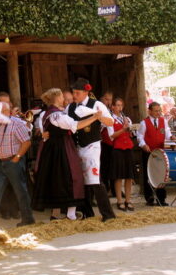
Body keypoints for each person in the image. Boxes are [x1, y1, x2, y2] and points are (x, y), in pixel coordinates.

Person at [34, 88, 102, 220]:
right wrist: (94, 117)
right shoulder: (56, 115)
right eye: (61, 96)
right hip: (61, 149)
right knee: (71, 177)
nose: (63, 99)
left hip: (54, 149)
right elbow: (75, 125)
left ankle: (64, 214)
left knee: (61, 180)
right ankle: (69, 214)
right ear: (56, 98)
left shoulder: (49, 113)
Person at [66, 78, 116, 221]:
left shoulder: (97, 104)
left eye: (77, 93)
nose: (74, 95)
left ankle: (108, 214)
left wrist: (99, 117)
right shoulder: (69, 107)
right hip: (76, 146)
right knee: (79, 180)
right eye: (73, 92)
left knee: (94, 179)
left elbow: (110, 122)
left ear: (86, 92)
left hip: (91, 145)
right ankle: (87, 213)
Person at [0, 101, 35, 227]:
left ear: (8, 112)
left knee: (21, 191)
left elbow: (26, 142)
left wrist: (17, 157)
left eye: (2, 112)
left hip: (13, 161)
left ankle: (28, 220)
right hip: (1, 162)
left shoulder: (17, 123)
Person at [137, 102, 176, 206]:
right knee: (149, 174)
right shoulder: (144, 123)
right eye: (156, 111)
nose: (158, 113)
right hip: (149, 152)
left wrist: (171, 137)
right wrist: (143, 145)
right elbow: (140, 136)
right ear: (150, 111)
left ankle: (161, 198)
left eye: (159, 111)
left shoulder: (163, 121)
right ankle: (149, 197)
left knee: (162, 174)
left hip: (161, 152)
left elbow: (167, 132)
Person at [108, 98, 135, 211]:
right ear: (112, 107)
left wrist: (131, 129)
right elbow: (111, 135)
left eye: (121, 105)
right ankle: (119, 200)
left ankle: (128, 200)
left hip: (128, 148)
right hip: (117, 149)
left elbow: (132, 135)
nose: (119, 108)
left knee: (129, 176)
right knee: (118, 176)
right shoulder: (110, 119)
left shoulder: (126, 118)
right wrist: (123, 129)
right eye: (117, 105)